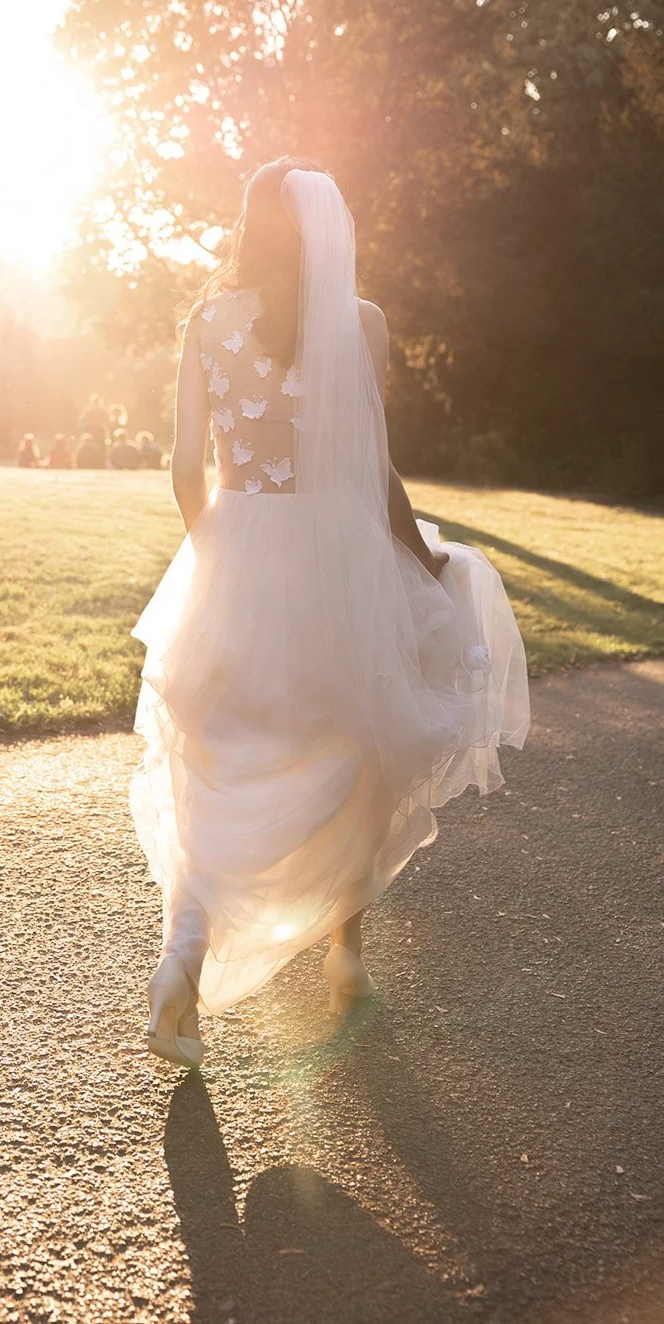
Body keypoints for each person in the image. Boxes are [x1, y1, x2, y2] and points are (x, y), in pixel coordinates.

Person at [131, 160, 529, 1068]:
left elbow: (183, 465)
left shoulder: (205, 324)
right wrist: (423, 562)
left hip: (234, 551)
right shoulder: (360, 325)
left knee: (218, 766)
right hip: (337, 556)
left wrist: (216, 554)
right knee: (356, 750)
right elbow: (369, 466)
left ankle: (179, 964)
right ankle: (346, 961)